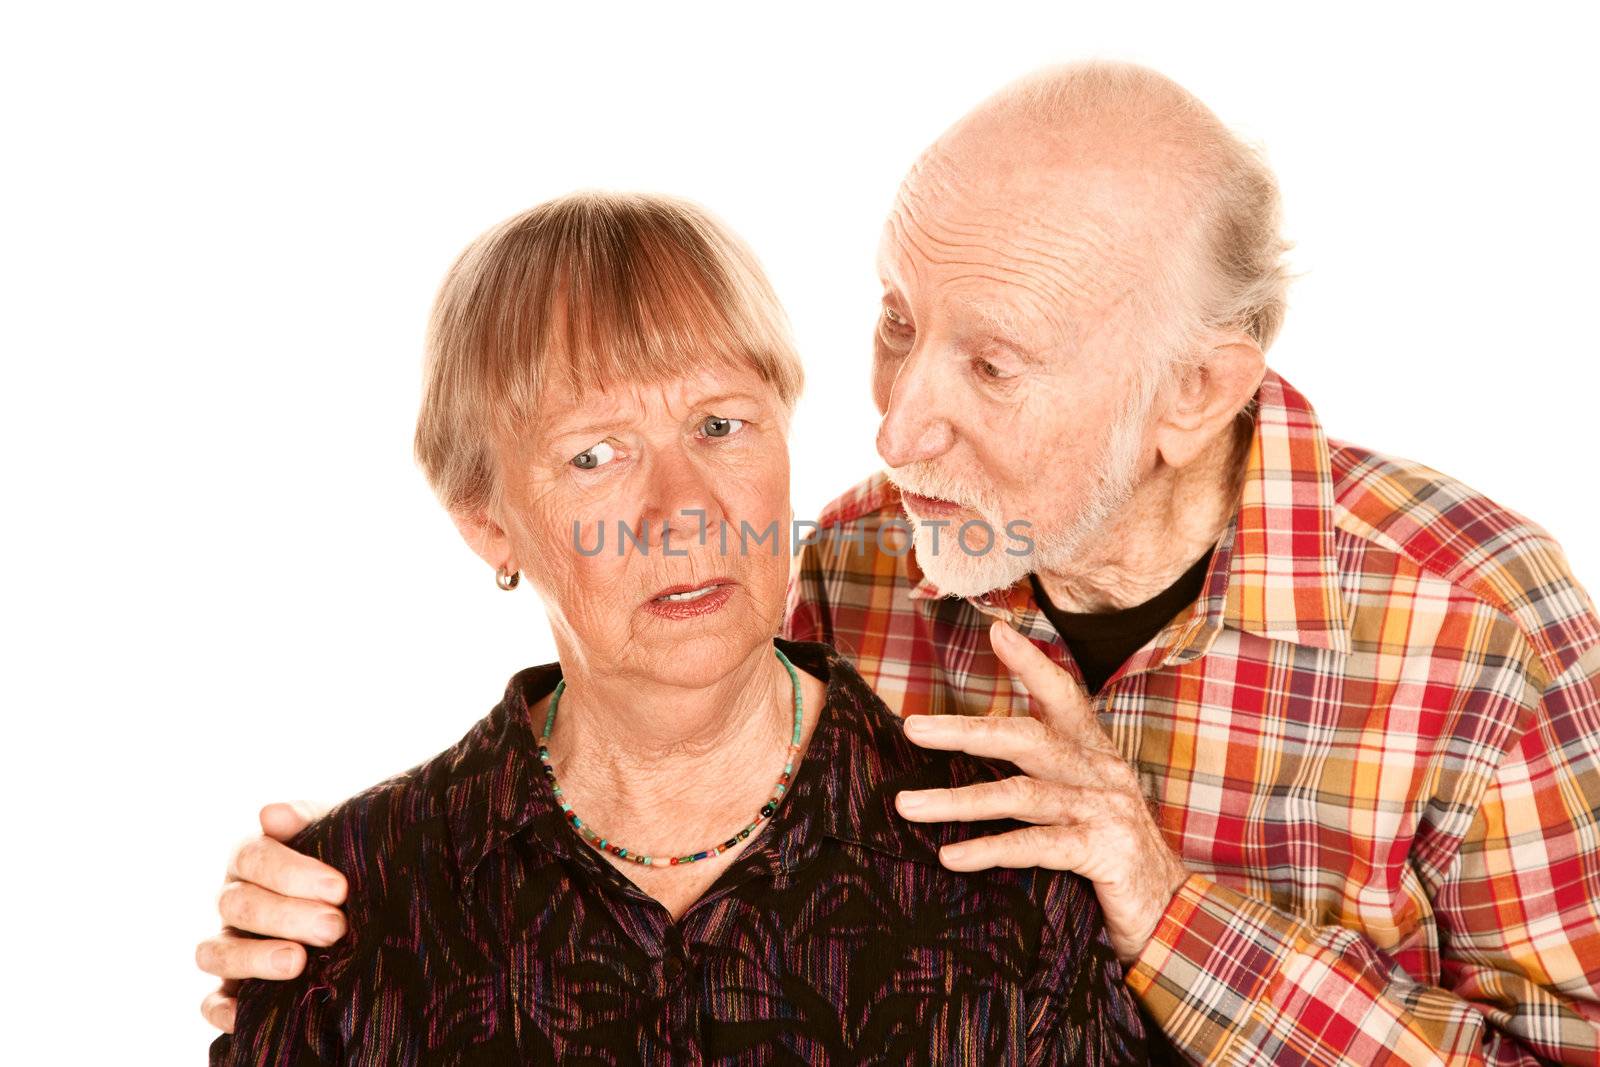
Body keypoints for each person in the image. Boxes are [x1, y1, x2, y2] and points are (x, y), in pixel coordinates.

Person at [200, 63, 1600, 1064]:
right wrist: (361, 896)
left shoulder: (1482, 630)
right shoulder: (862, 559)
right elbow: (644, 719)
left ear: (1196, 393)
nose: (895, 420)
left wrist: (1172, 911)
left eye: (990, 363)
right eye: (894, 320)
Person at [205, 190, 1147, 1064]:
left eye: (721, 426)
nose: (684, 510)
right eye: (595, 454)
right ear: (486, 519)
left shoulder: (1010, 871)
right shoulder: (348, 903)